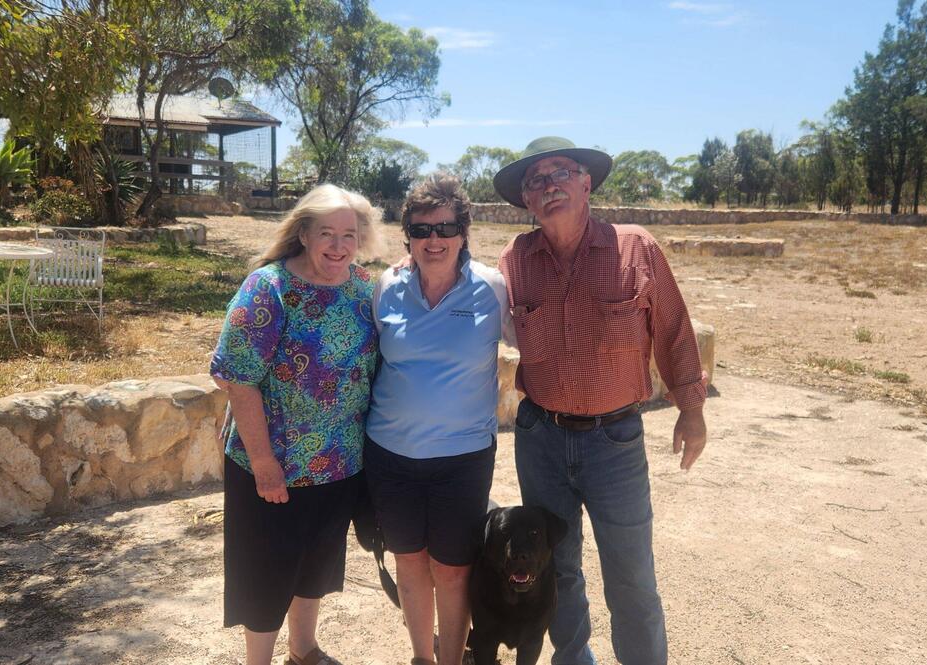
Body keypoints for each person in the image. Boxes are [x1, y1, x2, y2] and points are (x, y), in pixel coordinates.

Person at [493, 137, 709, 665]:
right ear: (526, 198)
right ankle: (573, 658)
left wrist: (692, 408)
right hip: (540, 436)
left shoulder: (636, 248)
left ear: (586, 183)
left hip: (614, 441)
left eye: (560, 173)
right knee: (556, 567)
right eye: (536, 180)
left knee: (631, 572)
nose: (549, 186)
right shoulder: (515, 261)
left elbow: (675, 331)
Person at [210, 184, 385, 665]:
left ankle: (303, 649)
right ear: (304, 233)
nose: (338, 245)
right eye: (326, 233)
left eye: (348, 234)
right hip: (273, 465)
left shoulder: (364, 289)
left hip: (340, 461)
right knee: (267, 571)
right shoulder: (268, 289)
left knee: (317, 566)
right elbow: (238, 380)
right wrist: (265, 464)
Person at [365, 175, 512, 665]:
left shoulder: (492, 289)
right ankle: (421, 659)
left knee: (452, 570)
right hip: (391, 456)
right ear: (407, 234)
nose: (434, 239)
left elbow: (537, 343)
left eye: (446, 228)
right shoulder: (386, 286)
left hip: (462, 458)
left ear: (464, 232)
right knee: (409, 563)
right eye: (422, 229)